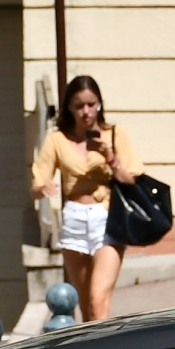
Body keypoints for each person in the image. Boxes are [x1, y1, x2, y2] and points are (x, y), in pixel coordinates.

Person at [30, 74, 141, 322]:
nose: (86, 111)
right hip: (74, 219)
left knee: (98, 299)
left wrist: (109, 156)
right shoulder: (57, 140)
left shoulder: (114, 134)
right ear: (69, 108)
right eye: (79, 105)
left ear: (99, 104)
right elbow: (37, 181)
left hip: (107, 218)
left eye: (91, 104)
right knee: (85, 307)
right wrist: (42, 188)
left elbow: (131, 178)